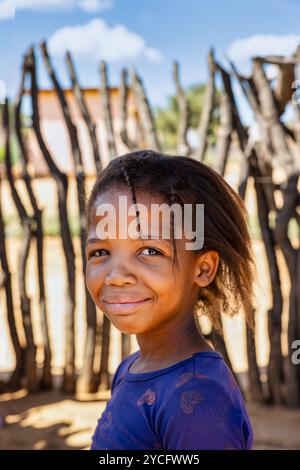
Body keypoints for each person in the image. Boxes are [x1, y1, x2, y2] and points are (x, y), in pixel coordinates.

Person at [85, 150, 255, 450]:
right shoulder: (131, 368)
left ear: (202, 268)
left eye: (150, 251)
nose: (116, 276)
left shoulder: (196, 400)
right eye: (100, 252)